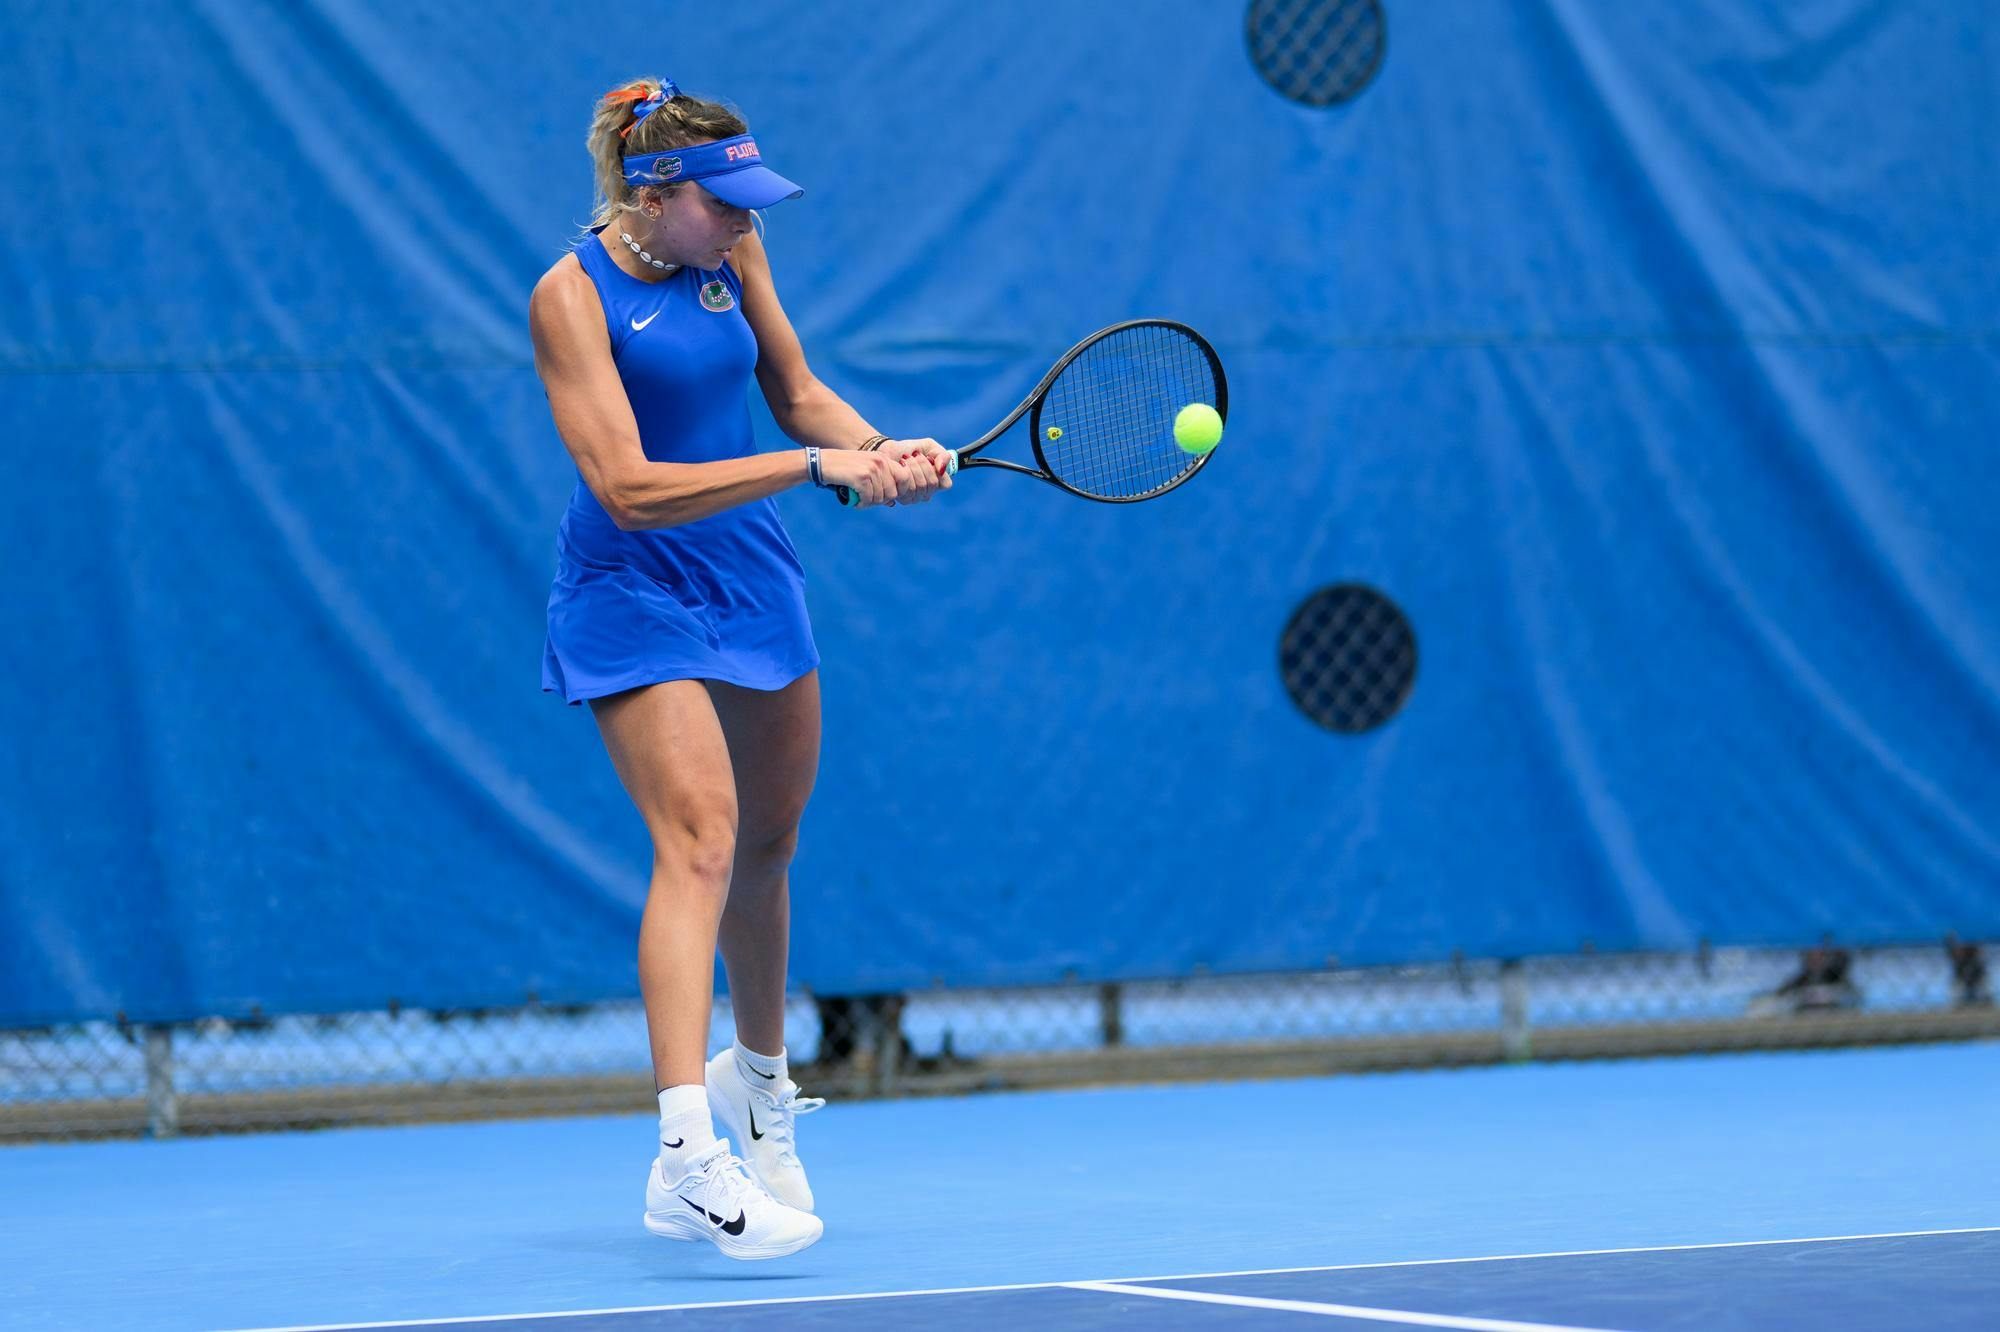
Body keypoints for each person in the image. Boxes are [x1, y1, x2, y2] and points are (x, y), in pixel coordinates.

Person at [528, 76, 952, 1260]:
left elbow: (796, 389)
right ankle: (683, 1158)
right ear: (655, 195)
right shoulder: (569, 298)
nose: (745, 220)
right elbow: (625, 487)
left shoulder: (736, 251)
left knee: (768, 844)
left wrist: (876, 446)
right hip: (629, 584)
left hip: (749, 577)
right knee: (700, 838)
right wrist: (810, 471)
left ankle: (759, 1093)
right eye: (724, 203)